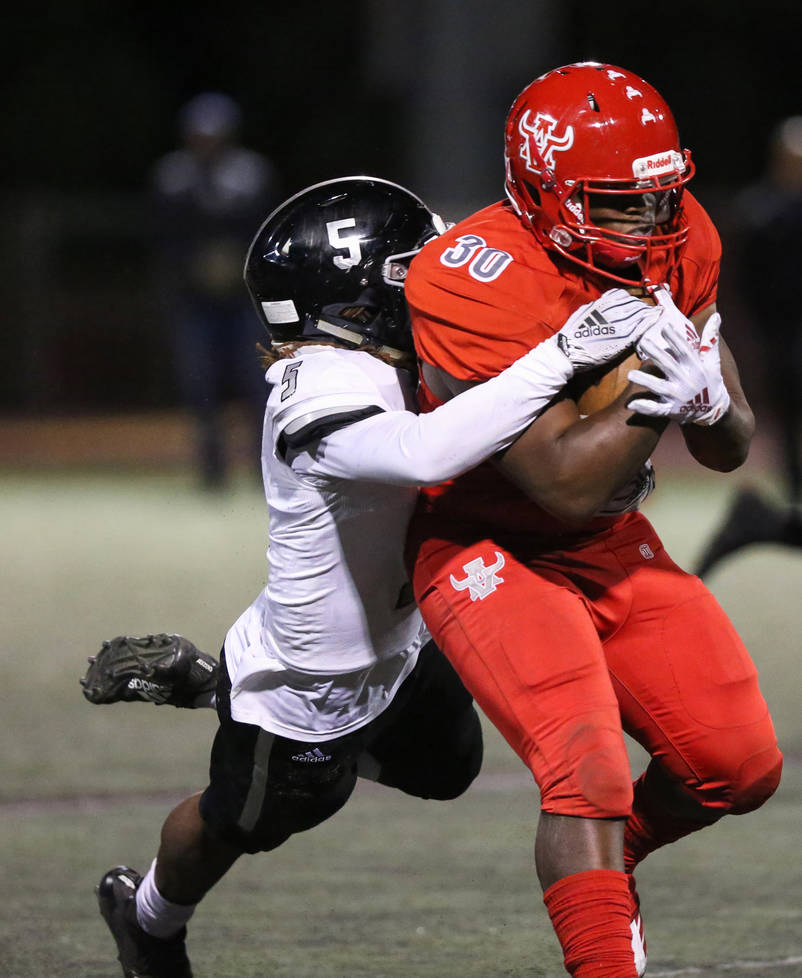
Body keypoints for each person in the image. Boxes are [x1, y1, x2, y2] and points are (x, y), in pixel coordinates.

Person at [92, 175, 661, 978]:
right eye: (416, 267)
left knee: (450, 770)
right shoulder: (316, 387)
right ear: (358, 300)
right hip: (311, 682)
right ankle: (147, 920)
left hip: (404, 638)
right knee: (244, 823)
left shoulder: (396, 349)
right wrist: (565, 352)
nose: (441, 277)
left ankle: (214, 688)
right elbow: (428, 452)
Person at [403, 62, 783, 978]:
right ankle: (603, 945)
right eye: (620, 204)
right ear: (544, 192)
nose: (652, 225)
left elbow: (731, 444)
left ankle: (607, 879)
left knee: (737, 764)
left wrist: (708, 400)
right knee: (588, 774)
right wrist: (658, 402)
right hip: (482, 539)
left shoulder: (680, 234)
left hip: (609, 538)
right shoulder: (471, 277)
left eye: (660, 200)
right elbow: (561, 483)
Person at [150, 91, 282, 489]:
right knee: (200, 383)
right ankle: (211, 471)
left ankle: (264, 468)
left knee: (255, 382)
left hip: (243, 299)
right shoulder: (173, 177)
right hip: (195, 299)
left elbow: (265, 234)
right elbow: (162, 238)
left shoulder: (251, 175)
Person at [694, 114, 802, 576]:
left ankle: (761, 523)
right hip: (789, 341)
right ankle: (766, 520)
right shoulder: (764, 211)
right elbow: (755, 288)